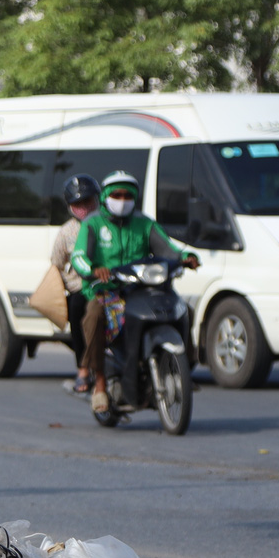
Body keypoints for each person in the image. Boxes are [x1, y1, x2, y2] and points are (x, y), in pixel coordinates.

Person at [69, 170, 195, 414]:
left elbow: (168, 249)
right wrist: (95, 269)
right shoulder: (93, 224)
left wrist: (184, 258)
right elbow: (79, 257)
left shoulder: (144, 224)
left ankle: (182, 372)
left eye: (128, 195)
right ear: (105, 196)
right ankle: (101, 385)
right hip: (105, 292)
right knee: (94, 315)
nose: (123, 199)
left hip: (141, 291)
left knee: (183, 309)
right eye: (117, 194)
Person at [50, 174, 102, 392]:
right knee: (77, 309)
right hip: (81, 287)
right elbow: (57, 263)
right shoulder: (66, 233)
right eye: (77, 204)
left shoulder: (106, 225)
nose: (83, 207)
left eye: (87, 202)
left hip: (108, 283)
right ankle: (83, 367)